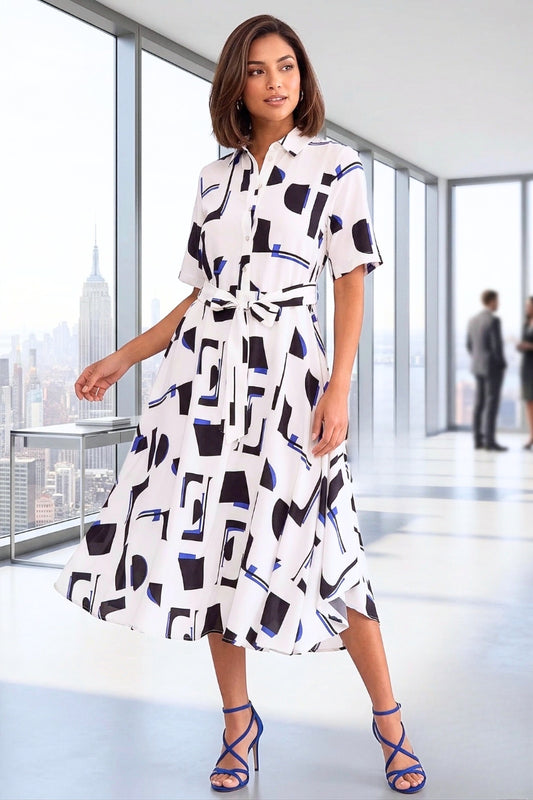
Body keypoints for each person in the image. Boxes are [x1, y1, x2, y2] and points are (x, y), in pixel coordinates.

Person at [54, 15, 426, 795]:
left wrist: (338, 387)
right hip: (205, 387)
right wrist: (123, 357)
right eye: (257, 70)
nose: (275, 81)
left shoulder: (333, 166)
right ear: (236, 84)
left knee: (333, 550)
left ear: (303, 75)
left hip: (291, 380)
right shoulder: (210, 180)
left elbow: (351, 279)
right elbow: (196, 300)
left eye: (286, 65)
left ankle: (389, 721)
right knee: (215, 552)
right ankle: (237, 727)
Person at [466, 289, 507, 451]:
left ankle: (477, 440)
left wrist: (478, 359)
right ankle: (489, 441)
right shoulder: (493, 321)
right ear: (491, 301)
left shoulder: (473, 320)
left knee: (479, 403)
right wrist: (502, 364)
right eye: (497, 300)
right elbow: (497, 347)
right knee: (491, 404)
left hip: (477, 367)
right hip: (492, 368)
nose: (498, 304)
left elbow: (469, 345)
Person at [516, 296, 533, 449]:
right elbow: (522, 344)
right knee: (529, 402)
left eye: (529, 305)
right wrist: (520, 346)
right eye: (526, 305)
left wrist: (530, 346)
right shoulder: (525, 324)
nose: (527, 307)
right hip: (527, 368)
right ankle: (531, 436)